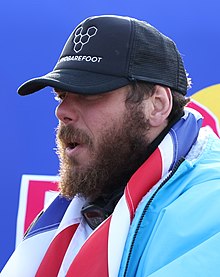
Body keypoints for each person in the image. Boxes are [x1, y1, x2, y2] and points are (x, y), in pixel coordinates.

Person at [1, 15, 220, 277]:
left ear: (157, 105)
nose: (62, 111)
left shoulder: (211, 202)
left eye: (89, 93)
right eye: (61, 96)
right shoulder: (77, 210)